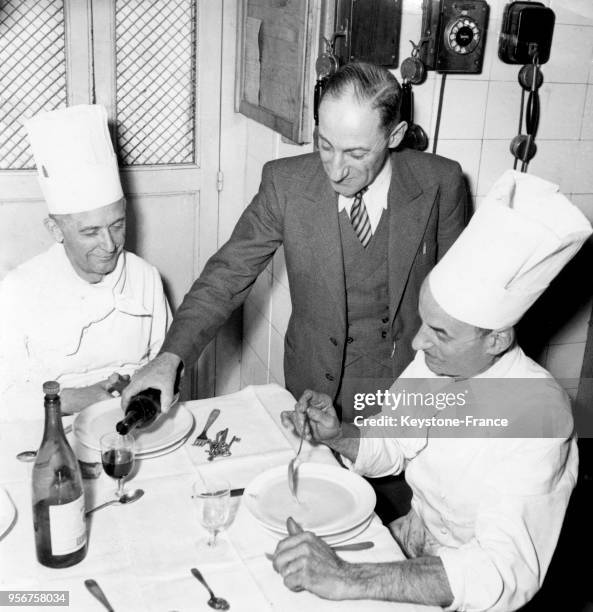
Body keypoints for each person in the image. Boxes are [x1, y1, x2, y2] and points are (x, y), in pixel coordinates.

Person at [123, 61, 468, 521]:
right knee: (312, 520)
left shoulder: (440, 183)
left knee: (392, 531)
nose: (337, 169)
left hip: (404, 397)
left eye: (356, 152)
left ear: (396, 134)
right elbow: (226, 275)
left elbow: (460, 306)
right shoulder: (286, 184)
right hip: (313, 390)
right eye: (325, 144)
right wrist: (170, 358)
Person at [276, 170, 592, 611]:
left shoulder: (540, 416)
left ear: (496, 340)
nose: (418, 343)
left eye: (440, 333)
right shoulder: (436, 364)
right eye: (424, 322)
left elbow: (499, 573)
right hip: (417, 538)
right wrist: (337, 434)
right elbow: (393, 441)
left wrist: (347, 576)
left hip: (470, 589)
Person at [0, 105, 170, 421]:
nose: (109, 245)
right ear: (55, 230)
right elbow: (5, 398)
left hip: (131, 422)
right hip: (46, 428)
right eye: (90, 232)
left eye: (117, 225)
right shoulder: (19, 289)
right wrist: (82, 398)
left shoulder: (145, 278)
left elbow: (168, 365)